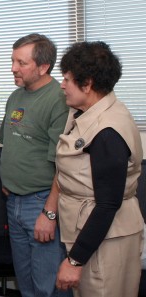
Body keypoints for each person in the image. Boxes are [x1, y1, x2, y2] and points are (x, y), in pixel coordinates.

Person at [54, 41, 143, 296]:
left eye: (67, 79)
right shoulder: (88, 111)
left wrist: (74, 261)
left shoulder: (107, 132)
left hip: (104, 239)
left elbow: (107, 204)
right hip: (95, 234)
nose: (62, 85)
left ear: (88, 84)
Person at [0, 33, 69, 297]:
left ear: (43, 67)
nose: (13, 68)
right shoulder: (16, 97)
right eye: (13, 60)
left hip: (41, 203)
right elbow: (12, 145)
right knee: (25, 284)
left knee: (47, 287)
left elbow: (64, 166)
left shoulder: (59, 100)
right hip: (13, 201)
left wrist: (49, 213)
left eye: (21, 63)